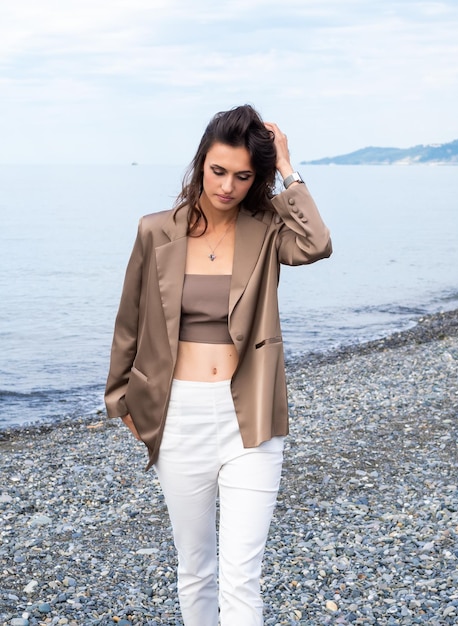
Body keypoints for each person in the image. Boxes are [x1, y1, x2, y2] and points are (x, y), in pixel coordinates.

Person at [104, 104, 332, 626]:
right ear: (200, 162)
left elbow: (317, 243)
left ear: (259, 178)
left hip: (248, 417)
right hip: (177, 414)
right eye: (218, 170)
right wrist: (121, 401)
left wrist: (290, 169)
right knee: (196, 569)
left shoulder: (268, 228)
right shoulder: (155, 231)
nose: (228, 185)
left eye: (244, 176)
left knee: (241, 577)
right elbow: (129, 322)